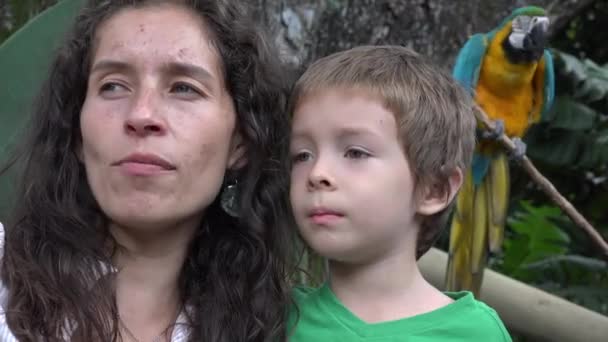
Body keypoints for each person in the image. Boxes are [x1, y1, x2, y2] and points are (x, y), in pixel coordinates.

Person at [0, 0, 295, 341]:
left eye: (184, 88)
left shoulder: (276, 327)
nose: (141, 115)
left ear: (240, 142)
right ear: (77, 132)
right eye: (112, 85)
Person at [287, 45, 512, 341]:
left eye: (355, 152)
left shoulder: (475, 334)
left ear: (434, 189)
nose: (317, 174)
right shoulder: (273, 318)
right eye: (302, 155)